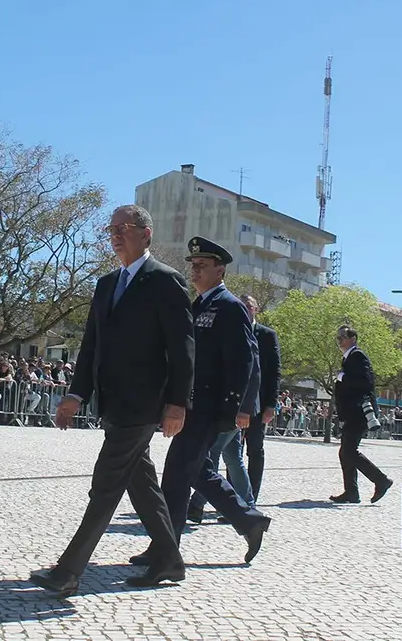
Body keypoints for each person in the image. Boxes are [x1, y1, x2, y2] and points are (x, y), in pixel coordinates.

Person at [29, 205, 193, 596]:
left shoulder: (166, 282)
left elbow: (183, 349)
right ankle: (170, 559)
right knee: (142, 485)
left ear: (146, 234)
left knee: (105, 485)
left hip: (143, 402)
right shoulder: (106, 285)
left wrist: (177, 403)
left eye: (124, 228)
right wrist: (75, 393)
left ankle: (68, 570)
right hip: (113, 402)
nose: (115, 234)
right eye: (112, 228)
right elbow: (91, 348)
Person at [130, 237, 271, 567]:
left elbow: (247, 361)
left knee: (177, 475)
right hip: (192, 405)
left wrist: (242, 407)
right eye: (192, 265)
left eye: (202, 265)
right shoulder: (199, 305)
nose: (195, 270)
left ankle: (165, 547)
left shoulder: (230, 306)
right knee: (198, 471)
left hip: (212, 407)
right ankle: (249, 519)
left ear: (220, 271)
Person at [188, 292, 280, 520]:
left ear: (255, 309)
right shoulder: (232, 326)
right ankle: (246, 505)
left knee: (213, 452)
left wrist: (263, 405)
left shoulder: (263, 335)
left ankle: (198, 504)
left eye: (249, 306)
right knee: (232, 456)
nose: (245, 309)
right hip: (229, 404)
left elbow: (260, 372)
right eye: (242, 306)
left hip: (241, 406)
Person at [331, 326, 393, 504]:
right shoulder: (348, 358)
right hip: (352, 413)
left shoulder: (358, 355)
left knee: (349, 450)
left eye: (343, 337)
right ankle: (351, 492)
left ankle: (381, 480)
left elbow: (366, 382)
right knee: (345, 452)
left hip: (360, 412)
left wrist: (343, 377)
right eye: (338, 338)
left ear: (353, 338)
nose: (339, 341)